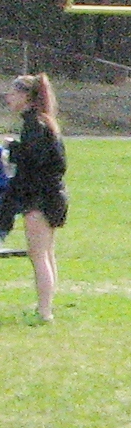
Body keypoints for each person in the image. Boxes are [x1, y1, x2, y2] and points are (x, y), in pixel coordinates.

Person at [0, 74, 67, 324]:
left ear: (26, 97)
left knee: (38, 255)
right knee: (46, 254)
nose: (8, 97)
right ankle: (46, 307)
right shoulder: (42, 123)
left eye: (13, 93)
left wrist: (12, 150)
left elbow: (35, 162)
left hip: (40, 198)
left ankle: (45, 312)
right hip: (50, 196)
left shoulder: (35, 125)